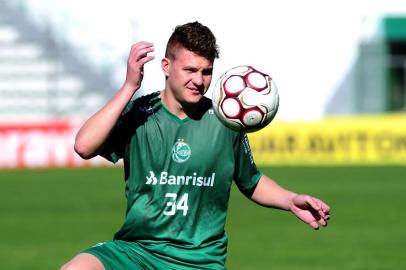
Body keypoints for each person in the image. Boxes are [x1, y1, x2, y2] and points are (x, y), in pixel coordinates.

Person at [61, 21, 330, 270]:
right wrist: (130, 85)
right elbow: (84, 146)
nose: (199, 81)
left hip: (198, 260)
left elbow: (251, 181)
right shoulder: (140, 113)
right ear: (166, 66)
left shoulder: (225, 121)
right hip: (136, 252)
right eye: (190, 70)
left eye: (206, 72)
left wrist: (290, 200)